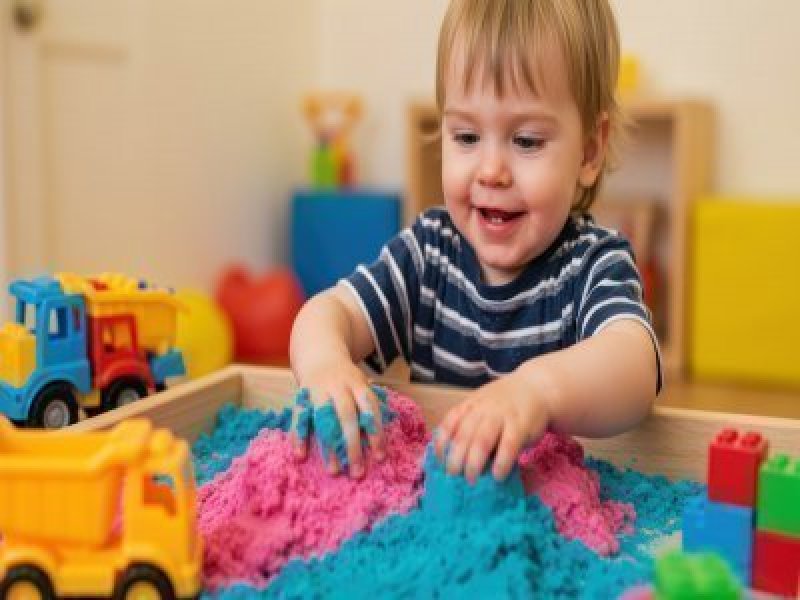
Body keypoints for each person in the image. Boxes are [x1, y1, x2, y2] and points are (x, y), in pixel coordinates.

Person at [289, 0, 660, 484]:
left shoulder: (592, 263)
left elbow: (635, 363)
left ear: (589, 150)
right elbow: (326, 312)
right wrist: (324, 364)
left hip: (548, 514)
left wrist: (536, 393)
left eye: (526, 141)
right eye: (466, 136)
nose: (491, 171)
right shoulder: (427, 255)